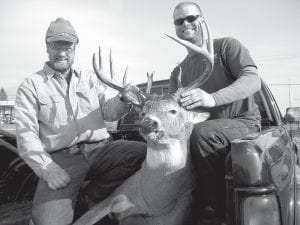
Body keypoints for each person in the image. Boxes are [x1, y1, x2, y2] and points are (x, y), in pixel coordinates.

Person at [14, 17, 146, 225]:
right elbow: (25, 135)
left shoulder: (89, 77)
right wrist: (46, 168)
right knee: (48, 222)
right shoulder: (31, 86)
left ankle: (91, 195)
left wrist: (122, 99)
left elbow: (110, 113)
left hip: (101, 150)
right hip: (62, 160)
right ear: (47, 47)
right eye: (56, 45)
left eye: (67, 46)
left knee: (143, 154)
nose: (62, 52)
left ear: (75, 48)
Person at [169, 2, 261, 223]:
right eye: (179, 21)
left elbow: (253, 79)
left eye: (191, 18)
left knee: (201, 133)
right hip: (204, 134)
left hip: (243, 124)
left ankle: (219, 211)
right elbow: (176, 113)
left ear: (202, 19)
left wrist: (212, 98)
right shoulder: (177, 72)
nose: (186, 24)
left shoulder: (227, 46)